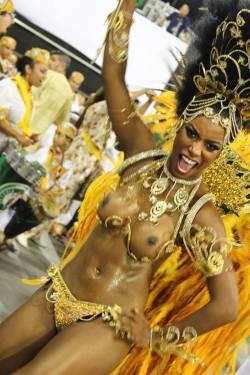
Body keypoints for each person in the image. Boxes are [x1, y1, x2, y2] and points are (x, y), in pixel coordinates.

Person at [0, 1, 250, 375]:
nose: (194, 150)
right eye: (191, 134)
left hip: (107, 323)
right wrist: (126, 12)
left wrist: (157, 337)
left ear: (221, 152)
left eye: (211, 146)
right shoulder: (139, 151)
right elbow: (114, 78)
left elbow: (226, 306)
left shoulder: (200, 215)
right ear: (180, 124)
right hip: (55, 294)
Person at [0, 47, 49, 148]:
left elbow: (14, 125)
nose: (45, 77)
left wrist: (27, 137)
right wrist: (18, 136)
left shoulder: (29, 96)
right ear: (28, 69)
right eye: (42, 71)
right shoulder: (10, 86)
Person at [29, 51, 73, 136]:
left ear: (62, 66)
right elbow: (62, 122)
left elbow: (27, 93)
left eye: (53, 60)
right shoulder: (69, 93)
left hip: (20, 125)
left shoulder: (43, 75)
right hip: (36, 137)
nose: (48, 61)